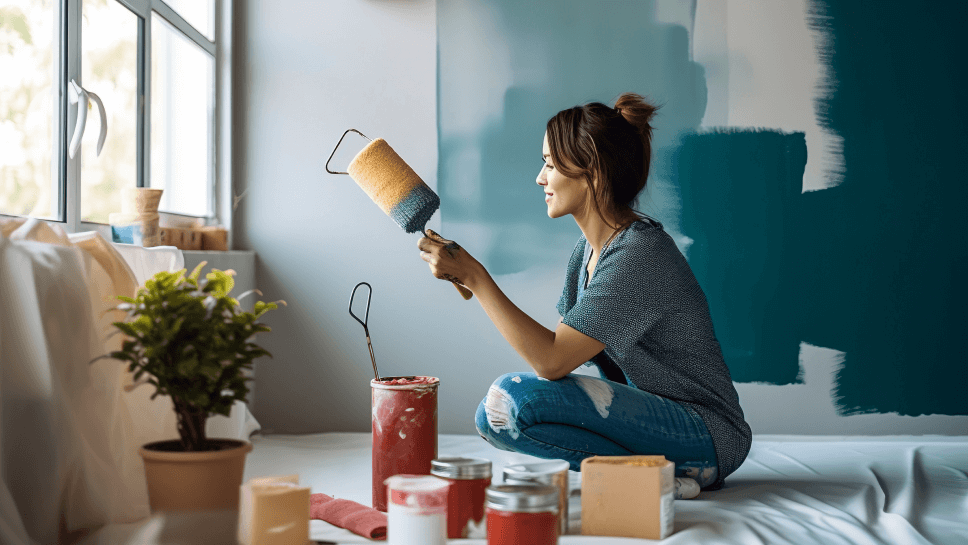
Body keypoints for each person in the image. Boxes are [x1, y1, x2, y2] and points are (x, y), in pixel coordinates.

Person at [417, 92, 751, 496]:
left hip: (707, 431)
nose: (540, 178)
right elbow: (562, 351)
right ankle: (657, 478)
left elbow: (551, 362)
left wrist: (476, 277)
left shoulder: (640, 254)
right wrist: (471, 276)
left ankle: (674, 472)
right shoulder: (588, 254)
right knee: (494, 418)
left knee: (509, 398)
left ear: (593, 172)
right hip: (656, 421)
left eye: (550, 164)